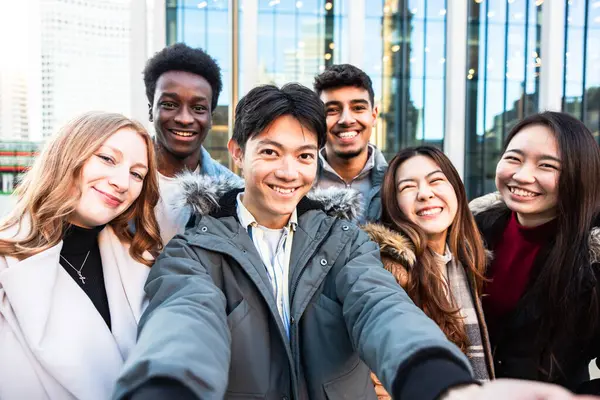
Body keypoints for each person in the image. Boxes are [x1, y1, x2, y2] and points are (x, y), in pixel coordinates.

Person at [114, 86, 584, 400]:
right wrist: (164, 388)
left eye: (302, 156)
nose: (288, 171)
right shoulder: (194, 250)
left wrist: (442, 384)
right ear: (237, 153)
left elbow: (380, 307)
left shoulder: (343, 241)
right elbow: (184, 322)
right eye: (269, 153)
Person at [0, 111, 162, 399]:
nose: (122, 182)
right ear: (67, 154)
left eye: (137, 174)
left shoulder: (144, 262)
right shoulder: (7, 263)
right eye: (108, 159)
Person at [470, 112, 600, 394]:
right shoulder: (472, 230)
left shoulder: (594, 255)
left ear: (579, 175)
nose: (521, 175)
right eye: (514, 159)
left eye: (547, 165)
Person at [363, 146, 494, 399]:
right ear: (394, 203)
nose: (424, 194)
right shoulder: (387, 271)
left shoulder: (470, 260)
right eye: (408, 187)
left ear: (456, 189)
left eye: (436, 180)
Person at [144, 43, 240, 244]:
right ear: (151, 111)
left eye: (198, 108)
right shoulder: (119, 181)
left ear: (211, 118)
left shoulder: (233, 193)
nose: (185, 119)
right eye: (170, 105)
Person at [313, 64, 387, 223]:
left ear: (373, 115)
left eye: (358, 108)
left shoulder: (395, 184)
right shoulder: (298, 183)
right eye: (332, 110)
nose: (346, 119)